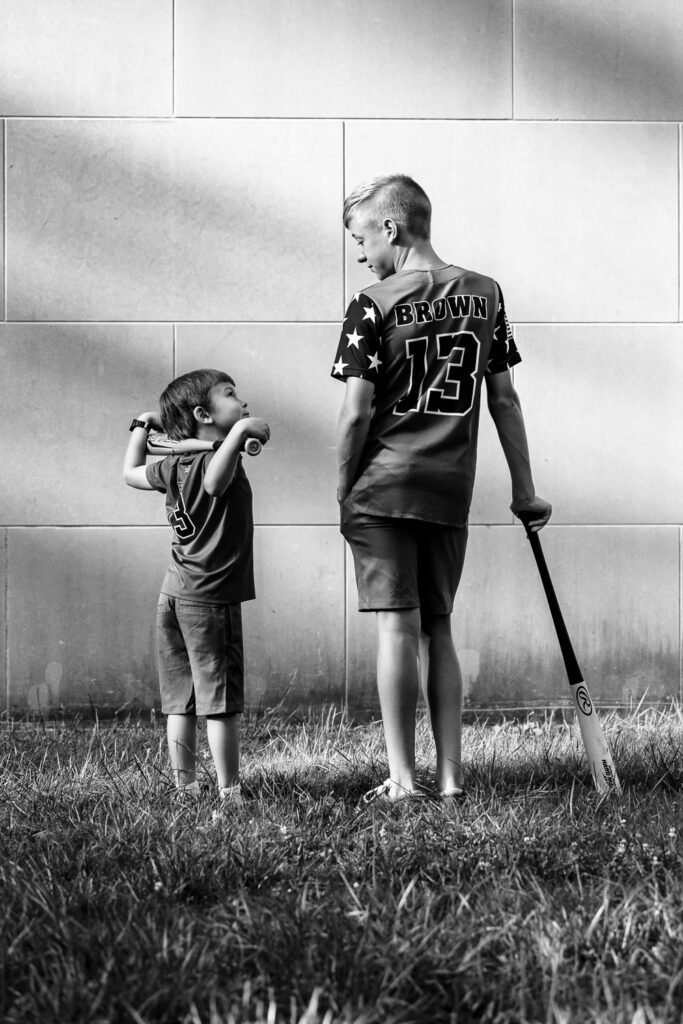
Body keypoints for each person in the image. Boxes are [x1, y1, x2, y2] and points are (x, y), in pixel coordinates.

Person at [331, 174, 552, 804]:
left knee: (396, 630)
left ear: (391, 229)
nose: (360, 253)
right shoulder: (486, 294)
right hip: (448, 489)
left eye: (361, 238)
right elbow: (504, 398)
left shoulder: (372, 303)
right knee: (439, 627)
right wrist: (524, 491)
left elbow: (355, 413)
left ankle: (402, 779)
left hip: (383, 487)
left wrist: (344, 490)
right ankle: (452, 777)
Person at [123, 369, 270, 806]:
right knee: (219, 700)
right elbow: (214, 482)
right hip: (209, 600)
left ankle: (184, 788)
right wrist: (241, 431)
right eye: (231, 395)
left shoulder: (175, 462)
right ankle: (230, 793)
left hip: (173, 596)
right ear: (204, 414)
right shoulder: (217, 457)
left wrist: (141, 425)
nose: (241, 401)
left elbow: (130, 472)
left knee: (180, 702)